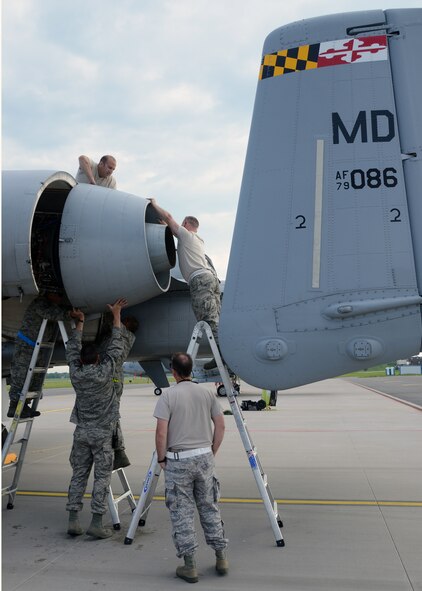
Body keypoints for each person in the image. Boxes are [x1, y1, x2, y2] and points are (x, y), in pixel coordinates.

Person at [154, 352, 228, 583]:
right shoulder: (206, 394)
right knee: (209, 507)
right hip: (204, 457)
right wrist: (211, 451)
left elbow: (161, 432)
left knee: (182, 512)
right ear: (191, 370)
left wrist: (161, 459)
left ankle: (190, 566)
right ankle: (221, 557)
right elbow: (221, 425)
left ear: (173, 372)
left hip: (179, 460)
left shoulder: (168, 396)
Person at [65, 298, 126, 539]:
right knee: (101, 478)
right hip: (102, 434)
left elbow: (72, 349)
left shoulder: (76, 374)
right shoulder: (106, 370)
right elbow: (116, 346)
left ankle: (73, 519)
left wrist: (79, 323)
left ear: (81, 361)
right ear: (98, 359)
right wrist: (117, 315)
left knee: (78, 474)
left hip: (81, 433)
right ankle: (97, 522)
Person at [148, 198, 221, 370]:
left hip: (200, 281)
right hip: (210, 279)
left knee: (208, 321)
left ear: (186, 223)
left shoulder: (186, 236)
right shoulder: (197, 240)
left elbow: (168, 216)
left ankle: (222, 356)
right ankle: (222, 353)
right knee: (215, 319)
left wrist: (154, 204)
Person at [7, 293, 70, 419]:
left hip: (37, 347)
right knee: (21, 376)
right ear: (49, 294)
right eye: (57, 296)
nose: (59, 298)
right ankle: (14, 407)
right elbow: (51, 314)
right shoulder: (39, 303)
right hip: (26, 346)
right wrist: (70, 314)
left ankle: (25, 406)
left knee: (35, 378)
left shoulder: (51, 304)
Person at [97, 314, 139, 470]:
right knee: (111, 415)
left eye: (124, 319)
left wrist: (115, 310)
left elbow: (113, 323)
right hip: (114, 378)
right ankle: (118, 451)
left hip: (111, 378)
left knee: (111, 415)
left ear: (126, 323)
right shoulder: (126, 336)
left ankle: (119, 451)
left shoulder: (124, 334)